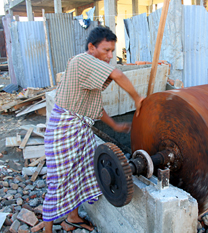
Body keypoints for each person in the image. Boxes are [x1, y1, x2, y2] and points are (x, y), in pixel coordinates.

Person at [42, 26, 144, 233]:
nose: (109, 55)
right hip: (65, 128)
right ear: (91, 47)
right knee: (59, 178)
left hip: (80, 127)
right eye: (106, 50)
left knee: (81, 172)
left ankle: (72, 218)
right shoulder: (82, 60)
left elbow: (94, 108)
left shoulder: (90, 67)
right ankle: (47, 228)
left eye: (112, 51)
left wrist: (114, 125)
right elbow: (117, 75)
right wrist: (137, 97)